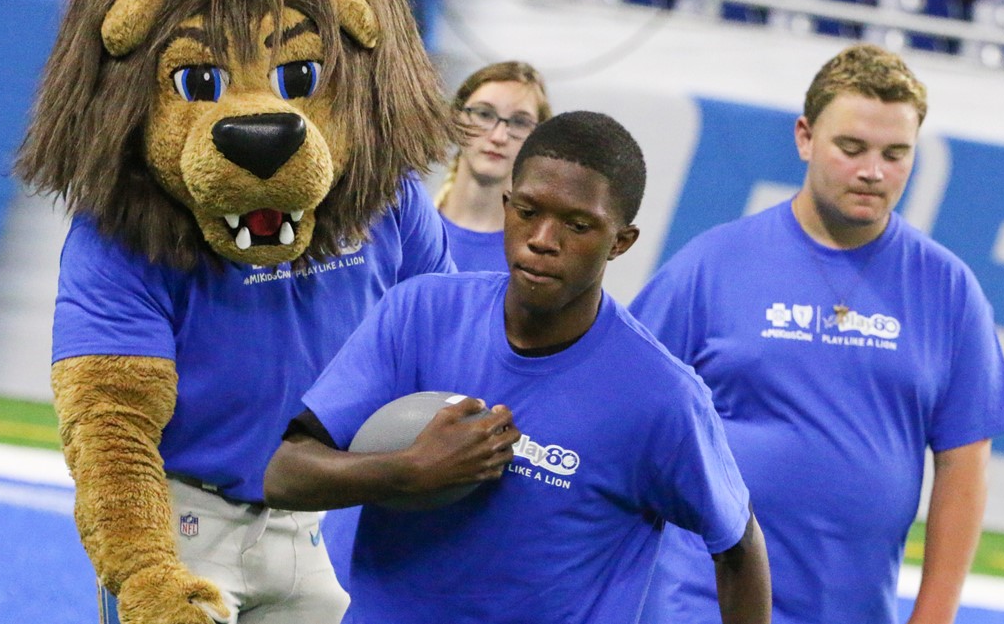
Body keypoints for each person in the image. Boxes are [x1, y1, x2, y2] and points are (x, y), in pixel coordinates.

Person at [264, 111, 773, 624]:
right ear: (508, 207)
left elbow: (738, 543)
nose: (543, 240)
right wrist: (410, 470)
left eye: (578, 225)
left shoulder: (663, 397)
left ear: (620, 241)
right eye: (528, 212)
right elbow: (285, 475)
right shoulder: (419, 314)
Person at [629, 43, 1004, 624]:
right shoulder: (712, 265)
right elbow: (626, 410)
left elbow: (963, 466)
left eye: (896, 154)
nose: (873, 171)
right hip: (699, 599)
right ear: (804, 137)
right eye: (852, 147)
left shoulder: (947, 289)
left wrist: (934, 616)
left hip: (853, 609)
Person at [434, 61, 552, 272]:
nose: (499, 137)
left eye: (520, 122)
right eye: (484, 114)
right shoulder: (409, 229)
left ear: (538, 140)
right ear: (455, 119)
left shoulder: (538, 255)